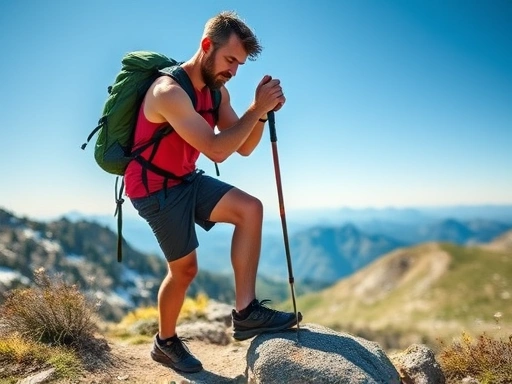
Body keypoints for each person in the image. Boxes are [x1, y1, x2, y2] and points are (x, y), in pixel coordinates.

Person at [124, 11, 302, 373]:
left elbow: (244, 145)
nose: (234, 70)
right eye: (230, 60)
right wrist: (257, 107)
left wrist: (262, 112)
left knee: (250, 209)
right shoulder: (168, 92)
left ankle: (246, 312)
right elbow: (218, 150)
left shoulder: (216, 91)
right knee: (186, 269)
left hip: (185, 177)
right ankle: (165, 343)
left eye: (239, 64)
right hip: (153, 187)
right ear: (207, 46)